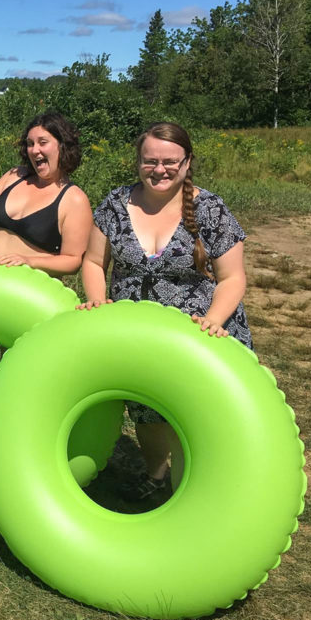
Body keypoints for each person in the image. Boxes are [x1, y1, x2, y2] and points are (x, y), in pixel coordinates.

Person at [78, 121, 251, 501]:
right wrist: (97, 301)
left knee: (195, 415)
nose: (160, 170)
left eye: (170, 161)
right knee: (145, 409)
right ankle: (156, 475)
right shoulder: (115, 203)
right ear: (138, 161)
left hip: (200, 333)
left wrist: (213, 321)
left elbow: (233, 278)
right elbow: (93, 262)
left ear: (187, 163)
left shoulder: (210, 209)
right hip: (136, 333)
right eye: (150, 161)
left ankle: (200, 493)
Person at [0, 109, 93, 396]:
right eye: (29, 143)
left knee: (17, 373)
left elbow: (73, 260)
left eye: (43, 142)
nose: (34, 150)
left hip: (25, 295)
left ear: (62, 145)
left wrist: (28, 260)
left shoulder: (74, 199)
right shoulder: (15, 176)